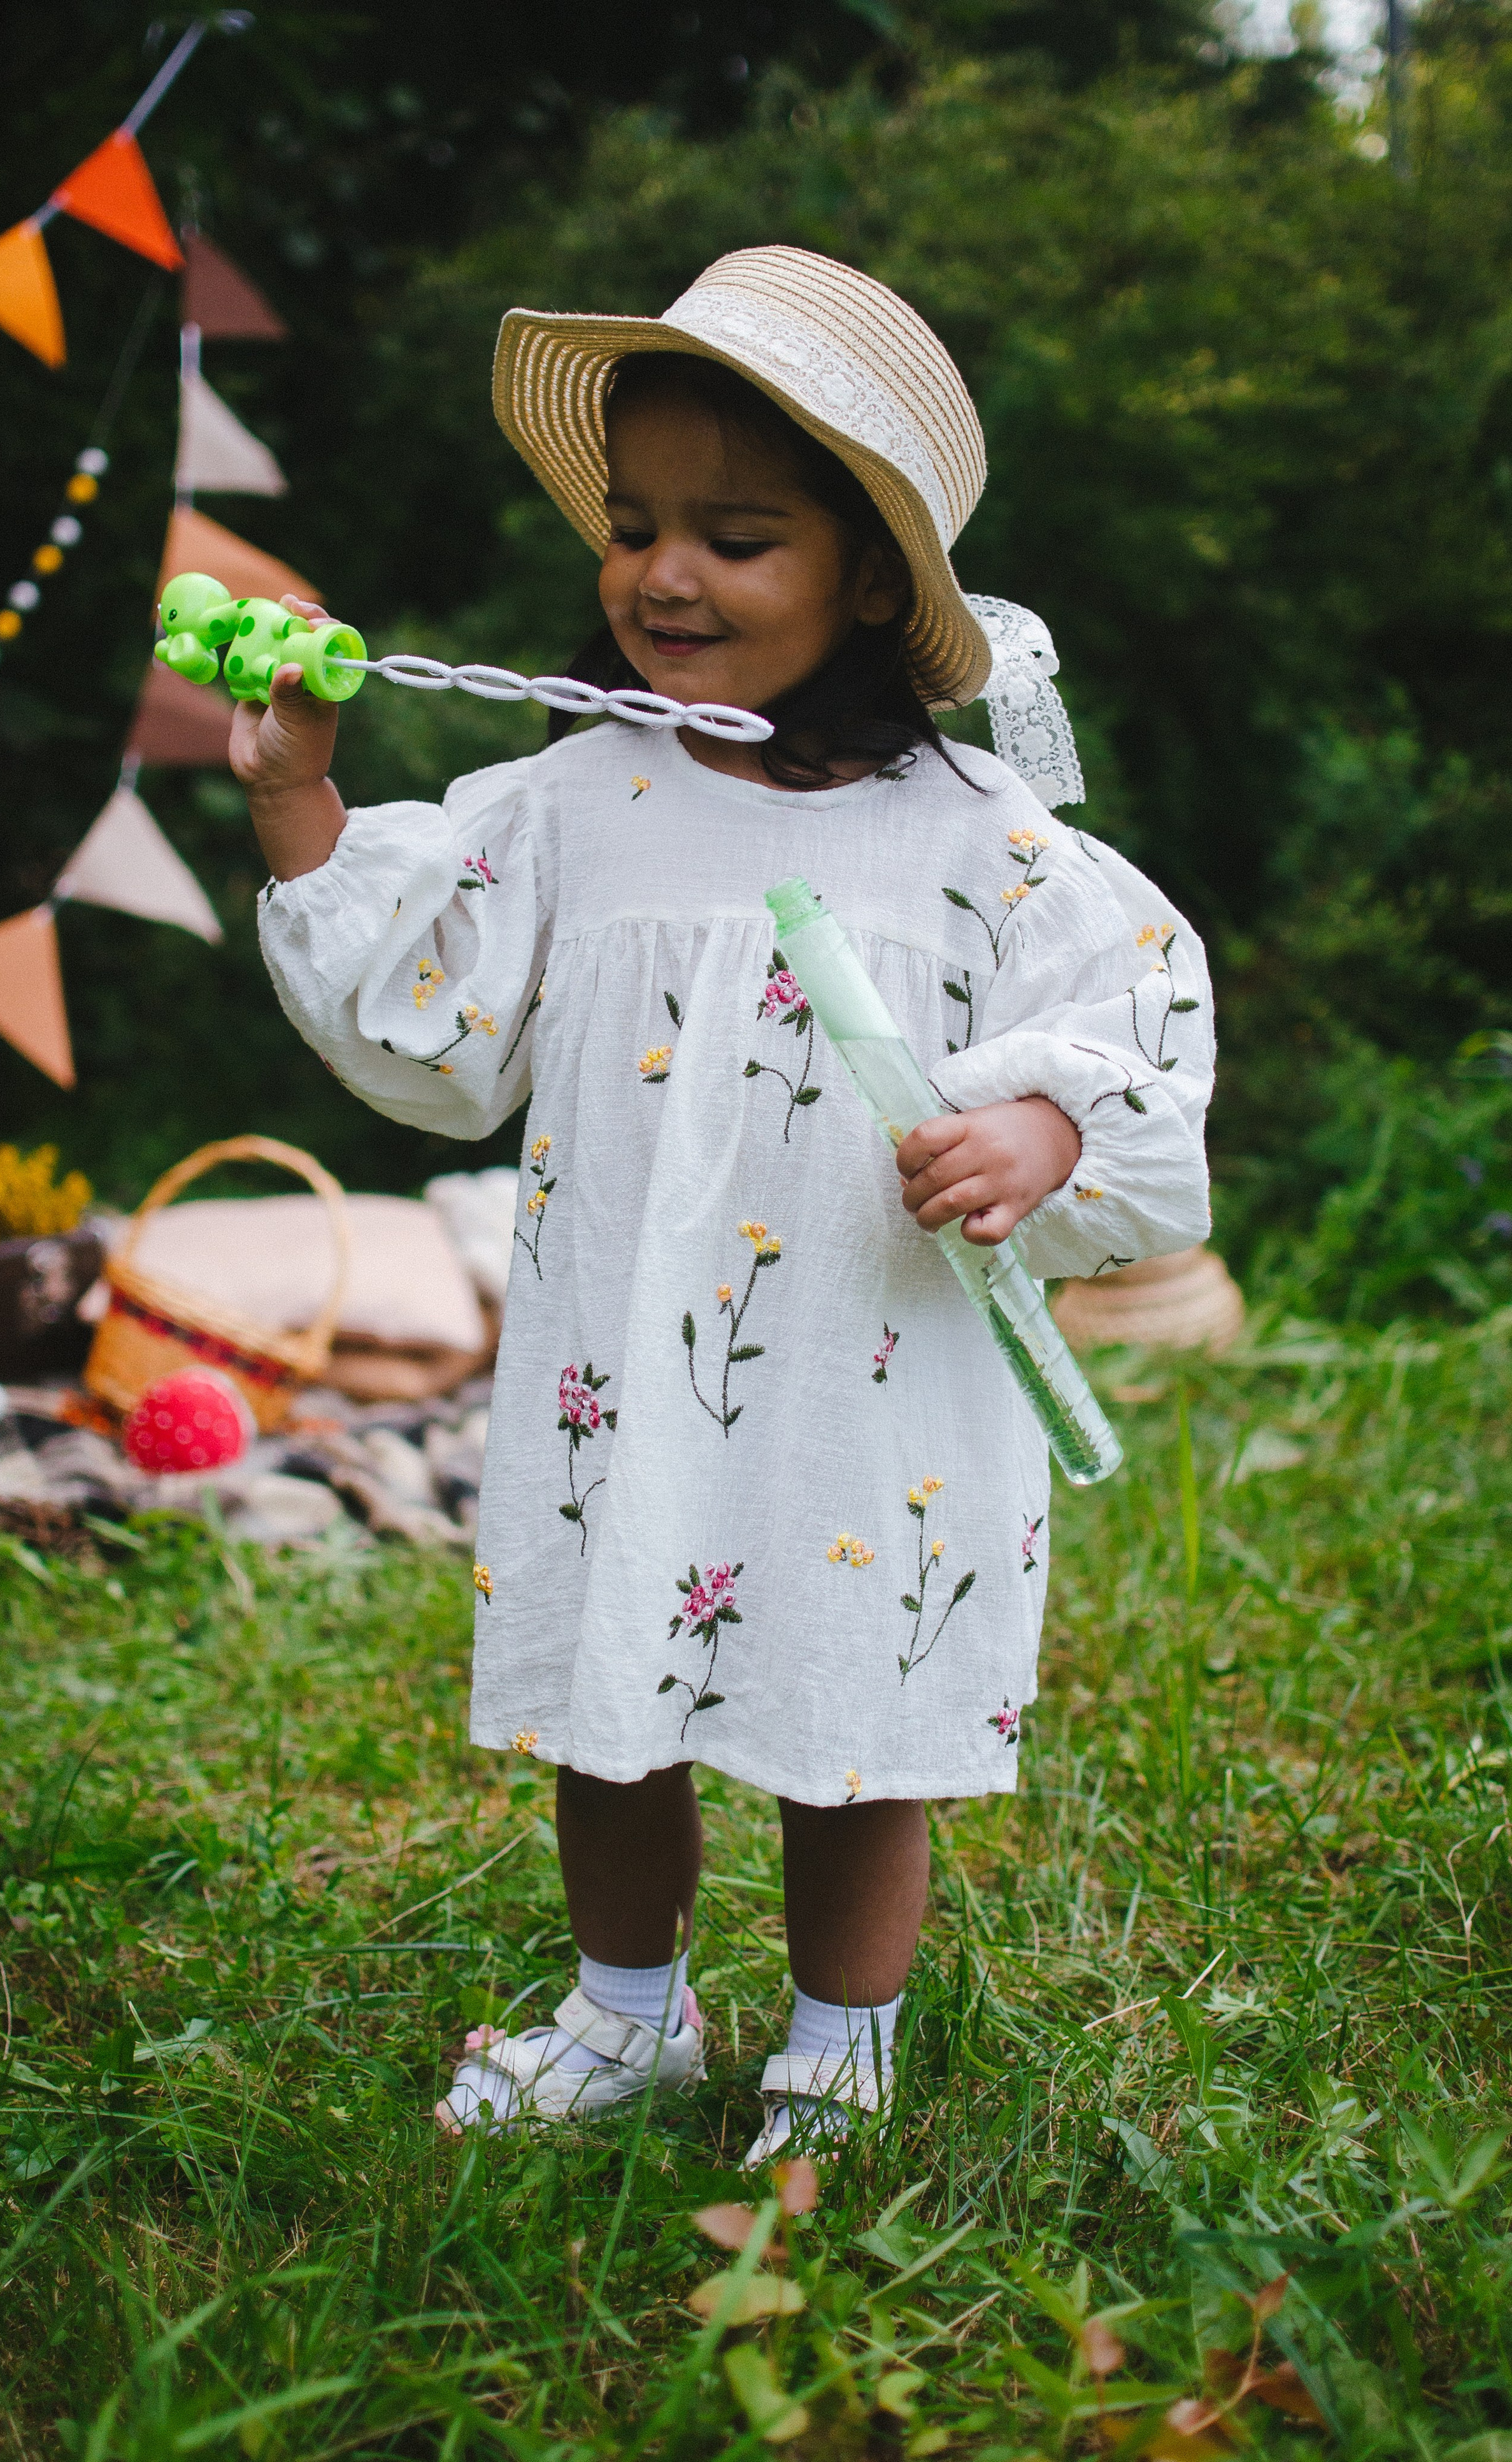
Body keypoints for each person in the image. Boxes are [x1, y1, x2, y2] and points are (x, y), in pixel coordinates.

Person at [240, 246, 1214, 2166]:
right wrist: (296, 799)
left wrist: (1042, 1134)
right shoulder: (581, 803)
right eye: (633, 525)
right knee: (617, 1702)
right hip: (626, 1363)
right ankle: (628, 2016)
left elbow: (1140, 1048)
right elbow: (429, 1022)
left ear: (868, 576)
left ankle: (841, 2046)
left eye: (736, 535)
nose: (661, 574)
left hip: (873, 1384)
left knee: (847, 1720)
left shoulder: (975, 848)